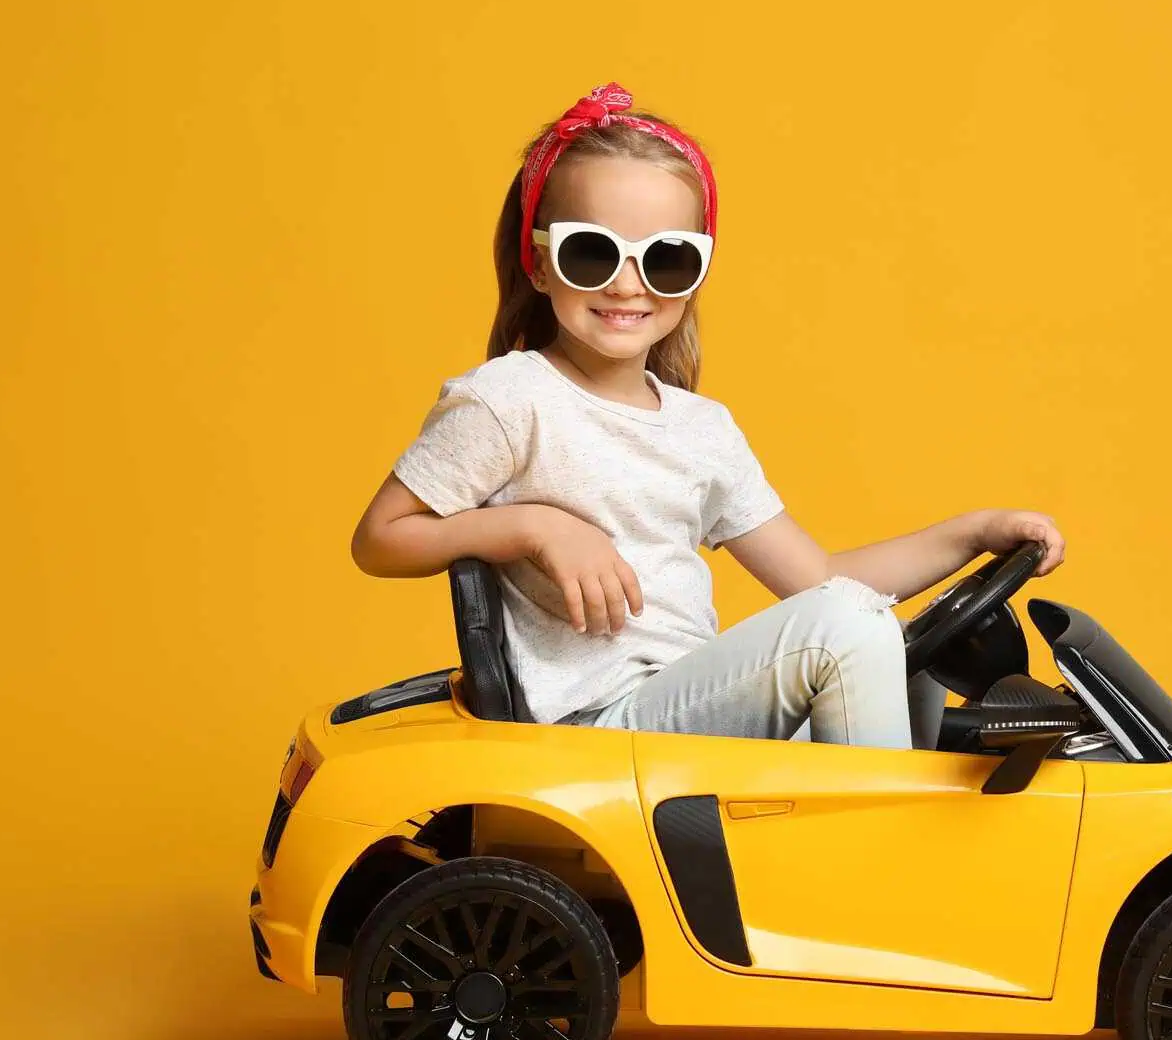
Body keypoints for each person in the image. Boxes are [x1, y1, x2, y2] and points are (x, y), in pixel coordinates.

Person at [349, 81, 1066, 748]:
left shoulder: (702, 430)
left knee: (905, 654)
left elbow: (821, 578)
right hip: (601, 730)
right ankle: (879, 867)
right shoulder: (512, 398)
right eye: (593, 253)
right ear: (539, 263)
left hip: (694, 712)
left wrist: (973, 532)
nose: (627, 284)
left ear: (694, 277)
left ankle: (899, 851)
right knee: (849, 625)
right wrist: (533, 526)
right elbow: (380, 539)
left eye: (663, 261)